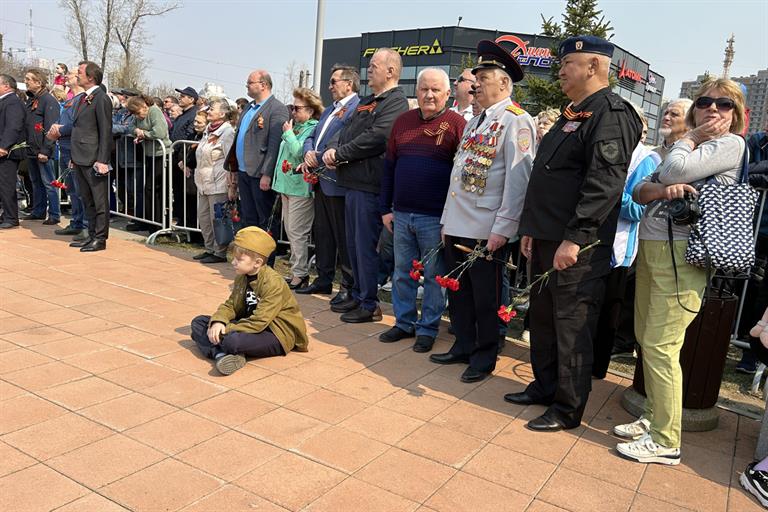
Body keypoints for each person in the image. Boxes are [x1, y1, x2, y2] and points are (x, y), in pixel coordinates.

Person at [510, 36, 643, 431]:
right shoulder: (573, 113)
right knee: (544, 319)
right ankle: (545, 386)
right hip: (547, 236)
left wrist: (575, 238)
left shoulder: (611, 113)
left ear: (593, 67)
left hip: (577, 244)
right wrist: (532, 229)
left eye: (568, 63)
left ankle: (568, 408)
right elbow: (549, 175)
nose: (561, 70)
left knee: (572, 325)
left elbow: (603, 184)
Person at [613, 78, 747, 464]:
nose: (712, 108)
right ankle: (653, 417)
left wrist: (688, 142)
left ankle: (665, 440)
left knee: (661, 345)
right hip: (654, 246)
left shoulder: (728, 144)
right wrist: (663, 186)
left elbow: (671, 172)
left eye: (724, 104)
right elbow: (641, 191)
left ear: (736, 113)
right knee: (646, 336)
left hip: (684, 254)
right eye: (704, 102)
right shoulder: (685, 148)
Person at [431, 40, 536, 383]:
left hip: (486, 226)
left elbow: (518, 181)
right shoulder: (477, 121)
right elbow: (459, 174)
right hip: (459, 222)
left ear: (504, 83)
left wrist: (503, 228)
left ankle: (485, 355)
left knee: (486, 298)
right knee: (459, 292)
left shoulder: (517, 121)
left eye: (484, 78)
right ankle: (463, 344)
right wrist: (447, 220)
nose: (476, 85)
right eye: (475, 78)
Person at [379, 68, 466, 352]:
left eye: (435, 90)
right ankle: (404, 323)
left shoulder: (457, 125)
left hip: (435, 218)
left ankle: (427, 328)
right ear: (416, 92)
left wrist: (450, 219)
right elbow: (389, 167)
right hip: (401, 214)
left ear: (447, 94)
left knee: (433, 277)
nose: (429, 95)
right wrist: (385, 208)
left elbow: (462, 176)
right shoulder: (402, 122)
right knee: (402, 272)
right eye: (424, 89)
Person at [323, 48, 409, 323]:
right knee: (353, 244)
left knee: (365, 246)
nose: (368, 70)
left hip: (370, 185)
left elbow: (377, 137)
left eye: (374, 66)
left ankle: (370, 303)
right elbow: (344, 129)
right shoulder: (367, 101)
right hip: (352, 182)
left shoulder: (395, 102)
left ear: (391, 71)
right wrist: (333, 148)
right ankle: (358, 295)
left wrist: (340, 153)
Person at [592, 107, 661, 379]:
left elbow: (639, 209)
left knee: (608, 310)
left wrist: (607, 195)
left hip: (619, 249)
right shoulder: (606, 150)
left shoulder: (646, 159)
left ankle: (596, 368)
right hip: (593, 239)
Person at [190, 226, 309, 375]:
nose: (233, 262)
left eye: (239, 259)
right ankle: (222, 355)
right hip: (249, 326)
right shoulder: (242, 276)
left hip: (275, 333)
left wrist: (225, 330)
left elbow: (260, 321)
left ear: (257, 263)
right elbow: (231, 305)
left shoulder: (274, 283)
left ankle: (222, 349)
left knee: (231, 340)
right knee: (199, 323)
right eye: (233, 257)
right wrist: (218, 322)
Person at [295, 65, 360, 304]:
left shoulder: (356, 108)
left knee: (343, 237)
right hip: (321, 180)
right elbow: (312, 136)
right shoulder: (330, 110)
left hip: (338, 181)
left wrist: (319, 156)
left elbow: (344, 141)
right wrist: (308, 151)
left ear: (348, 84)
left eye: (334, 82)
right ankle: (323, 279)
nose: (330, 86)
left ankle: (347, 285)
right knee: (323, 233)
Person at [48, 61, 113, 252]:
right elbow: (78, 127)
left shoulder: (101, 98)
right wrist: (74, 156)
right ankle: (91, 235)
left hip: (93, 158)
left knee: (99, 201)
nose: (77, 75)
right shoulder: (83, 98)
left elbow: (105, 131)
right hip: (80, 156)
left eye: (81, 73)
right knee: (87, 200)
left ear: (91, 77)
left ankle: (100, 238)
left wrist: (102, 160)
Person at [226, 70, 289, 251]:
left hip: (260, 173)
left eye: (250, 82)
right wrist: (234, 169)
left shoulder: (277, 109)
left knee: (265, 220)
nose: (246, 85)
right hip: (244, 171)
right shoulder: (249, 107)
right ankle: (249, 256)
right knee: (248, 218)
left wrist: (267, 174)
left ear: (263, 85)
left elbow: (274, 144)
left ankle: (265, 259)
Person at [272, 88, 322, 288]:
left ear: (310, 110)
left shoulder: (313, 128)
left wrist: (288, 134)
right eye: (292, 107)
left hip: (300, 188)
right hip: (287, 186)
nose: (293, 111)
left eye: (297, 108)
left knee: (297, 231)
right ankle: (296, 271)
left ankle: (300, 274)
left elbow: (300, 152)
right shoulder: (296, 127)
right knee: (290, 230)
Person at [193, 99, 235, 264]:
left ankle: (220, 252)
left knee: (216, 219)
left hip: (218, 183)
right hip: (203, 182)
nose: (208, 111)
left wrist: (232, 185)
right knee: (204, 218)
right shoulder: (208, 130)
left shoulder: (227, 132)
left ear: (222, 114)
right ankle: (209, 248)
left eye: (212, 109)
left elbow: (231, 160)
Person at [52, 69, 89, 241]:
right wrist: (55, 128)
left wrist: (60, 130)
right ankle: (76, 222)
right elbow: (64, 120)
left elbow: (78, 124)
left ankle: (86, 226)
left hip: (75, 148)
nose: (66, 76)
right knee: (72, 190)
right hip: (65, 147)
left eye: (71, 74)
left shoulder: (82, 100)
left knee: (81, 190)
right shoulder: (70, 99)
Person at [22, 68, 61, 225]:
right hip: (31, 148)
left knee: (49, 183)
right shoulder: (31, 100)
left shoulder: (48, 101)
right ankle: (38, 211)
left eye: (28, 79)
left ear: (38, 82)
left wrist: (46, 150)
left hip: (43, 150)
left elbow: (51, 127)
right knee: (36, 182)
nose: (26, 82)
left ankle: (54, 214)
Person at [126, 95, 171, 229]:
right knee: (148, 190)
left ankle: (160, 224)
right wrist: (136, 130)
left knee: (155, 189)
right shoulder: (138, 116)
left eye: (138, 113)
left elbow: (160, 132)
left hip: (162, 154)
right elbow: (131, 127)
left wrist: (143, 134)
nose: (138, 116)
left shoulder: (154, 111)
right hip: (149, 154)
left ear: (144, 106)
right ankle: (150, 222)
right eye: (135, 114)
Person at [170, 86, 199, 227]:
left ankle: (188, 222)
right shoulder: (182, 115)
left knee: (186, 191)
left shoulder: (193, 114)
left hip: (185, 156)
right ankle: (181, 219)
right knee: (178, 190)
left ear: (191, 99)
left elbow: (189, 135)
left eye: (183, 96)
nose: (180, 98)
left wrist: (183, 156)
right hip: (177, 155)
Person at [0, 75, 26, 230]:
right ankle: (5, 214)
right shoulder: (6, 101)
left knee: (7, 184)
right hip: (5, 149)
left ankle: (11, 217)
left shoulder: (13, 102)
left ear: (6, 86)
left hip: (8, 151)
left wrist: (4, 147)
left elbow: (13, 126)